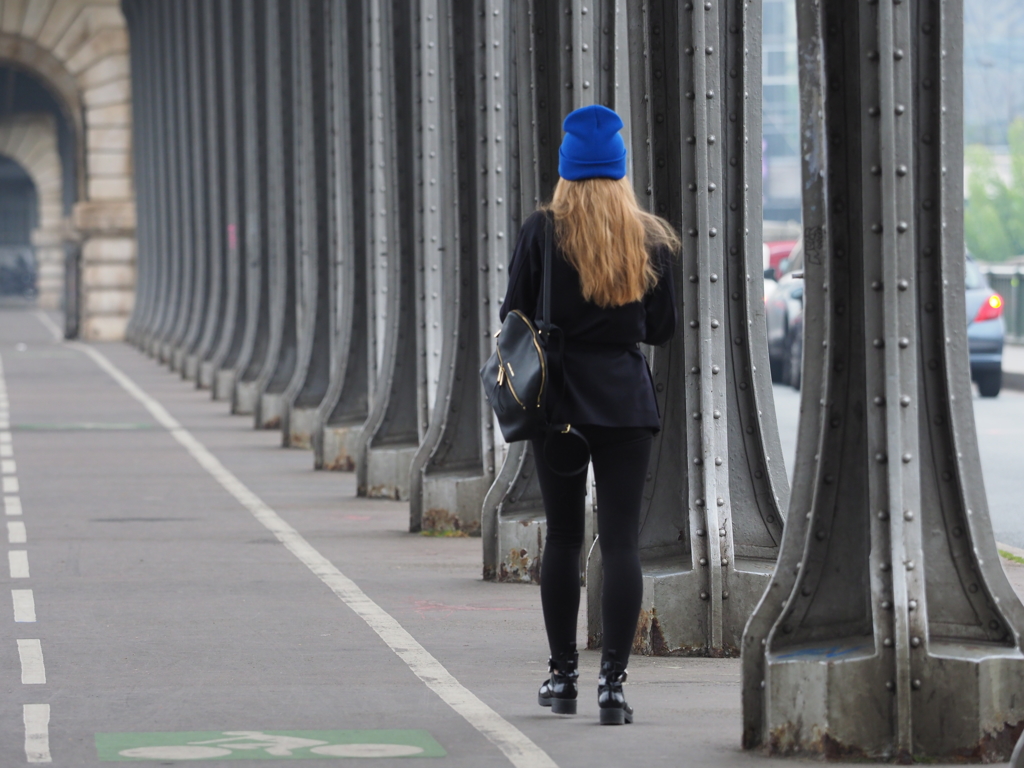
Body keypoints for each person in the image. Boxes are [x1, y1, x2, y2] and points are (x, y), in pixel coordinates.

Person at [499, 104, 678, 725]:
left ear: (566, 173)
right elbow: (661, 329)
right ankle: (614, 688)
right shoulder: (651, 238)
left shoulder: (542, 231)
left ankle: (563, 678)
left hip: (561, 406)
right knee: (623, 540)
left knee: (566, 537)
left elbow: (514, 315)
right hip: (626, 399)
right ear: (622, 171)